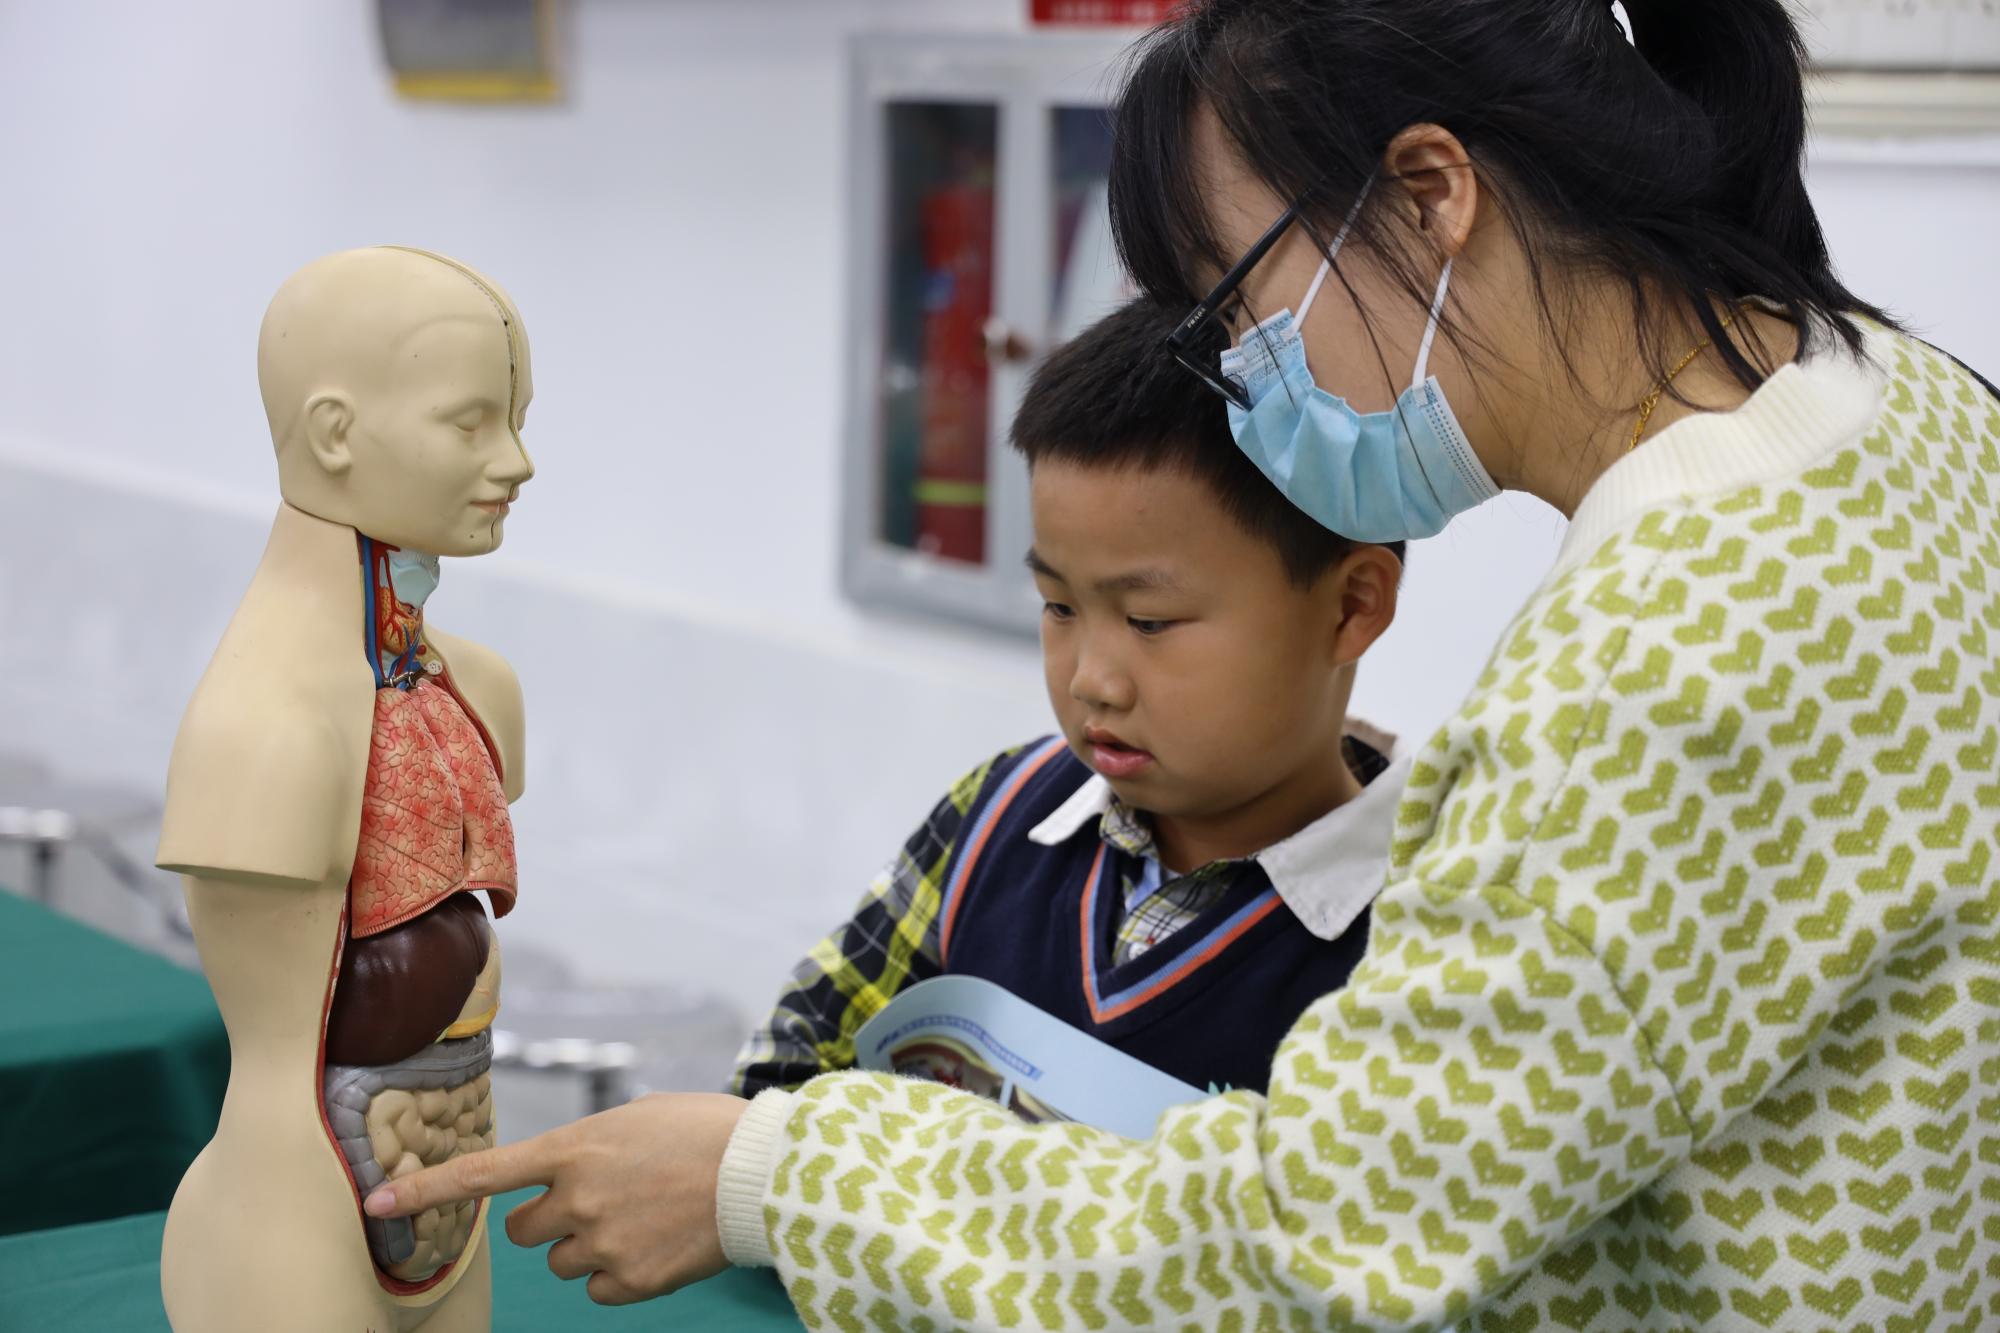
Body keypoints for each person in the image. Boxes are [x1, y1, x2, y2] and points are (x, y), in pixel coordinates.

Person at [366, 0, 2000, 1325]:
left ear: (1430, 197)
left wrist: (777, 1177)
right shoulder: (1919, 413)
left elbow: (1326, 1243)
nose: (1236, 373)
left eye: (1242, 297)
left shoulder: (1662, 656)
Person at [730, 298, 1407, 1103]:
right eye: (1058, 605)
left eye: (1149, 620)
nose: (1091, 679)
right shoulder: (997, 816)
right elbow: (781, 1078)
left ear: (1350, 607)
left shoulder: (1420, 938)